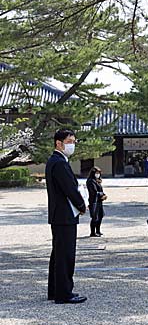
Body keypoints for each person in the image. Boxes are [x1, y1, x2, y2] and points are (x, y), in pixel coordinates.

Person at [46, 129, 87, 304]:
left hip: (58, 214)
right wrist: (81, 204)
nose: (72, 144)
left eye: (74, 141)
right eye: (69, 141)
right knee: (65, 255)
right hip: (65, 214)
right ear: (59, 143)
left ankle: (55, 290)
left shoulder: (54, 161)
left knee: (58, 253)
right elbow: (69, 188)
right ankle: (64, 293)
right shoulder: (60, 163)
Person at [86, 167, 107, 237]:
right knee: (95, 217)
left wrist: (103, 195)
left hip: (99, 201)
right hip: (94, 201)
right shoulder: (90, 181)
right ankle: (92, 232)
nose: (98, 174)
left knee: (100, 216)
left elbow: (100, 190)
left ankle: (98, 230)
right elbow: (94, 192)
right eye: (97, 173)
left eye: (99, 173)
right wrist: (101, 195)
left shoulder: (97, 180)